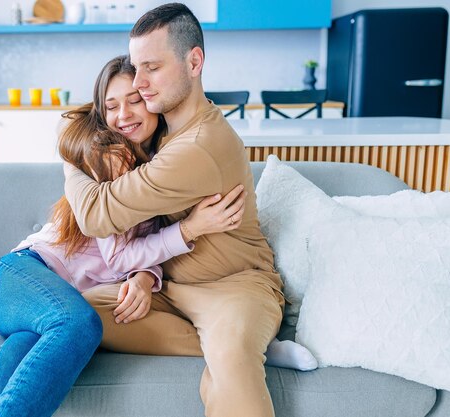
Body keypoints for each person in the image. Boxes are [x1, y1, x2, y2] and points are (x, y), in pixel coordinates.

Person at [63, 4, 315, 417]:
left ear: (193, 61)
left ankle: (237, 341)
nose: (140, 84)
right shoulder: (160, 128)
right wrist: (144, 278)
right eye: (136, 68)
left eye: (151, 68)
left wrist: (67, 158)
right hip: (171, 292)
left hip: (234, 287)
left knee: (231, 359)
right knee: (77, 312)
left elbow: (97, 214)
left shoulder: (199, 146)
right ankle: (246, 343)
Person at [0, 61, 247, 417]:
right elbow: (117, 256)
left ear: (154, 99)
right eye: (112, 106)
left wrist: (146, 277)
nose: (124, 115)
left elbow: (138, 251)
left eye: (134, 101)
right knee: (80, 324)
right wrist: (189, 229)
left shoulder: (167, 165)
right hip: (23, 274)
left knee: (23, 350)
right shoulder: (107, 157)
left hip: (49, 301)